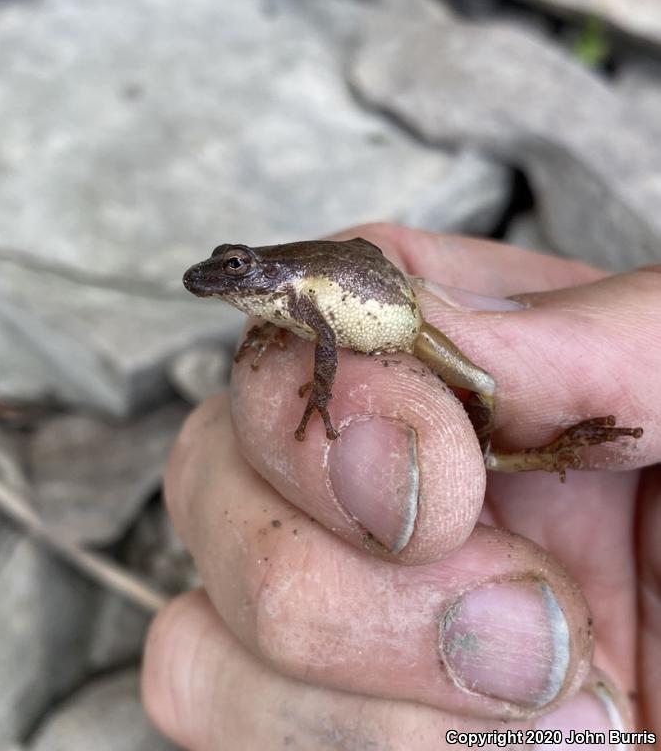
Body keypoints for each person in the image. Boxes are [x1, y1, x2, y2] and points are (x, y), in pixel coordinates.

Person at [142, 224, 660, 749]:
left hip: (404, 320)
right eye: (228, 267)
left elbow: (324, 338)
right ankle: (500, 457)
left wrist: (322, 394)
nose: (224, 277)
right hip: (388, 326)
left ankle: (493, 452)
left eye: (235, 266)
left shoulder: (294, 290)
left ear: (262, 268)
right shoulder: (278, 299)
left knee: (483, 382)